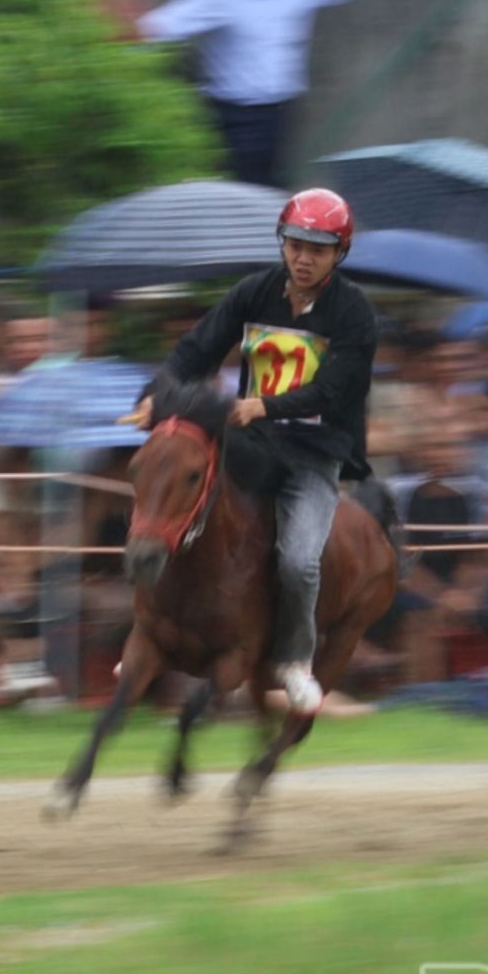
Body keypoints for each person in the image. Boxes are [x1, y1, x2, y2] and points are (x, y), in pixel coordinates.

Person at [128, 188, 379, 716]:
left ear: (340, 254)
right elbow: (195, 350)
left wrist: (262, 406)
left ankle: (292, 660)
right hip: (253, 445)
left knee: (298, 561)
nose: (303, 258)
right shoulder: (251, 292)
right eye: (295, 244)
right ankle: (152, 636)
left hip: (313, 453)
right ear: (282, 244)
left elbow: (333, 390)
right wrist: (156, 392)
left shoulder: (355, 313)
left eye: (318, 248)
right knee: (181, 501)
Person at [138, 0, 431, 188]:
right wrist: (134, 31)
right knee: (241, 187)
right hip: (233, 112)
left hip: (278, 112)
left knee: (269, 183)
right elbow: (170, 22)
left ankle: (262, 236)